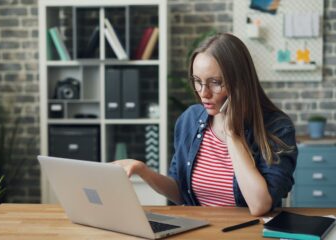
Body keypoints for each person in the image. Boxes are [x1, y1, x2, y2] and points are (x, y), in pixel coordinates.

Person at [114, 33, 297, 216]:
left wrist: (232, 134)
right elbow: (180, 192)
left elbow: (260, 205)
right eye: (197, 81)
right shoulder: (189, 119)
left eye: (215, 83)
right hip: (202, 229)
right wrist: (143, 170)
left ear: (240, 83)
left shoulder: (276, 128)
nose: (204, 93)